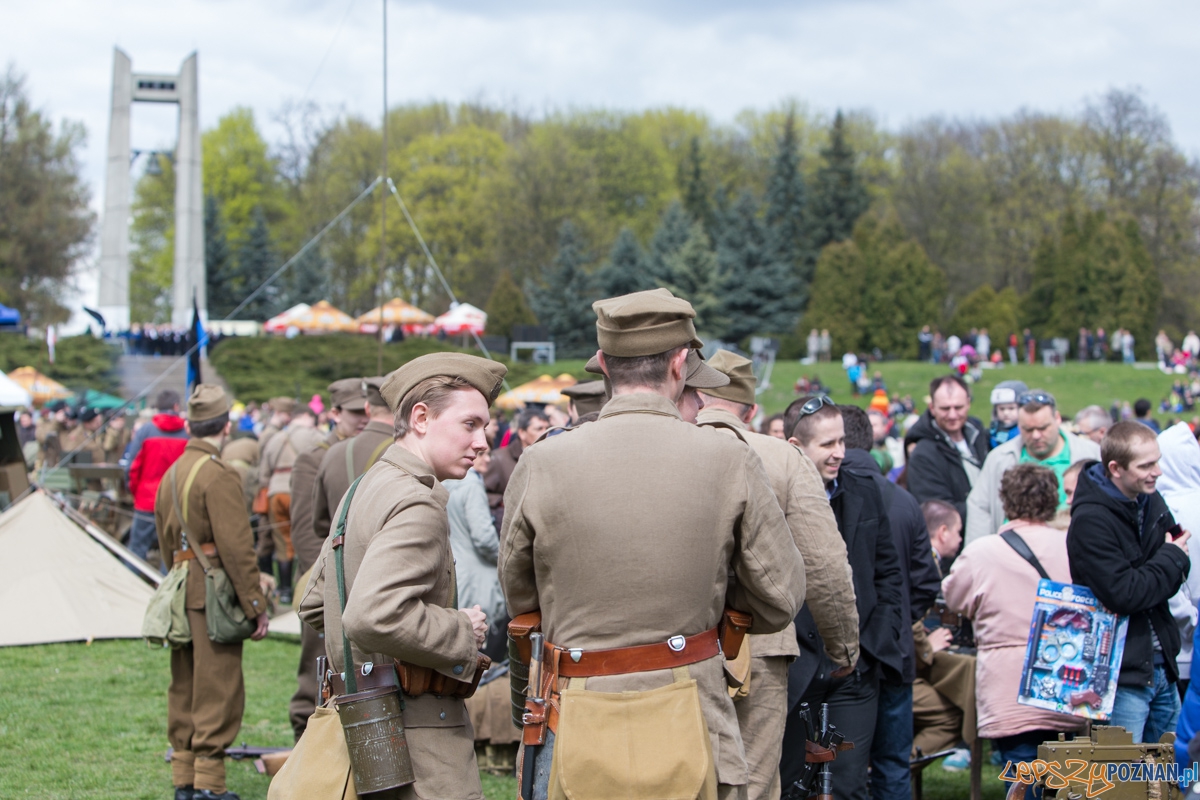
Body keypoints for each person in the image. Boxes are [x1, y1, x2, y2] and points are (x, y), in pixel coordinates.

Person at [499, 289, 804, 800]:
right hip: (693, 709)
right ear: (681, 363)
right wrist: (721, 604)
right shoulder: (728, 458)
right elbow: (780, 596)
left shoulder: (542, 462)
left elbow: (519, 595)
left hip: (573, 712)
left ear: (602, 363)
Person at [300, 353, 506, 800]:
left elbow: (317, 602)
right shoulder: (416, 502)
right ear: (420, 418)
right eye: (470, 424)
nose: (483, 442)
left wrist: (362, 661)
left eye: (484, 427)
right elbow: (373, 615)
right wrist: (459, 629)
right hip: (417, 738)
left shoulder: (366, 486)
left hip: (363, 718)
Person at [696, 350, 860, 800]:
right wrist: (843, 648)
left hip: (677, 645)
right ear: (750, 411)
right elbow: (825, 565)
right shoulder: (783, 459)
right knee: (751, 780)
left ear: (694, 397)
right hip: (761, 643)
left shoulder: (665, 453)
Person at [781, 395, 903, 800]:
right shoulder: (774, 498)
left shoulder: (865, 490)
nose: (839, 453)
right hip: (797, 664)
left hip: (856, 662)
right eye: (827, 445)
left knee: (848, 784)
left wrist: (870, 642)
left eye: (842, 442)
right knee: (792, 783)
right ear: (796, 448)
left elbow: (888, 574)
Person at [156, 385, 269, 800]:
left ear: (189, 425)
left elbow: (165, 541)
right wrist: (255, 605)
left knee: (183, 684)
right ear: (225, 426)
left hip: (183, 588)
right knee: (218, 686)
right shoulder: (218, 473)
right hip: (213, 594)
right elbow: (238, 550)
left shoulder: (172, 473)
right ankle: (209, 786)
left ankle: (184, 779)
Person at [943, 464, 1086, 791]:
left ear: (1005, 500)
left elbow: (953, 598)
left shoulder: (983, 552)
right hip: (1065, 679)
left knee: (1023, 779)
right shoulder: (1073, 546)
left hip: (1009, 688)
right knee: (1067, 781)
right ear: (1054, 498)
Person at [1067, 422, 1191, 743]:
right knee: (1122, 781)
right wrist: (1169, 559)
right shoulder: (1091, 520)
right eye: (1146, 465)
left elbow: (1180, 559)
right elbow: (1124, 593)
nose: (1158, 472)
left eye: (1158, 461)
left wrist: (1167, 563)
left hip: (1162, 663)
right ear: (1115, 469)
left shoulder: (1150, 500)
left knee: (1169, 779)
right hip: (1120, 676)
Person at [841, 405, 939, 800]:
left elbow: (922, 582)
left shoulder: (829, 497)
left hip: (846, 654)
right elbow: (926, 581)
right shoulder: (905, 501)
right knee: (892, 764)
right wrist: (896, 620)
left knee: (840, 764)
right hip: (895, 652)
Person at [284, 377, 371, 742]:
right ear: (335, 413)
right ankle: (305, 744)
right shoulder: (314, 458)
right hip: (327, 579)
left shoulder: (375, 450)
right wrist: (329, 582)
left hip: (368, 580)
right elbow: (305, 530)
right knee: (315, 671)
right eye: (354, 413)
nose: (362, 419)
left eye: (367, 411)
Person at [965, 389, 1100, 544]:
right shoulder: (1000, 458)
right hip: (1014, 553)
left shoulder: (1089, 454)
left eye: (1042, 428)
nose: (1036, 435)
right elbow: (980, 508)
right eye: (1028, 429)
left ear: (1057, 419)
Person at [311, 379, 395, 544]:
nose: (362, 419)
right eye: (355, 413)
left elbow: (320, 525)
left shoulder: (332, 452)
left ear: (368, 409)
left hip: (344, 562)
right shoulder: (408, 451)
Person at [445, 444, 507, 660]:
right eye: (481, 454)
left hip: (456, 571)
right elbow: (483, 537)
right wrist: (504, 557)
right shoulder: (471, 485)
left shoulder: (445, 481)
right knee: (480, 647)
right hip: (476, 577)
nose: (488, 459)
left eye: (489, 453)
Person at [903, 375, 989, 526]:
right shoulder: (922, 453)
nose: (952, 415)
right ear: (932, 407)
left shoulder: (980, 435)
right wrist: (990, 510)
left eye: (958, 407)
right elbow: (937, 513)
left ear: (968, 403)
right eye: (945, 408)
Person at [257, 408, 321, 600]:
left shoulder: (275, 438)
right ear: (306, 417)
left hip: (276, 492)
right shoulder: (314, 435)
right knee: (306, 538)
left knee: (283, 543)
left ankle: (285, 591)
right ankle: (309, 587)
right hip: (301, 491)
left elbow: (263, 474)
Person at [126, 390, 189, 565]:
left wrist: (135, 492)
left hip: (146, 498)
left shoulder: (145, 431)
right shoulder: (187, 433)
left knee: (137, 549)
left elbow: (132, 467)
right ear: (176, 406)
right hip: (175, 500)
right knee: (172, 553)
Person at [483, 407, 549, 526]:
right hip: (512, 527)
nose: (545, 433)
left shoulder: (548, 456)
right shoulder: (499, 458)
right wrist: (502, 502)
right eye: (539, 429)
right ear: (522, 433)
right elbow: (482, 493)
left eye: (547, 428)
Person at [987, 380, 1028, 449]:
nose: (1006, 413)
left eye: (1011, 408)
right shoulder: (993, 430)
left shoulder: (1022, 431)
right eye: (1001, 409)